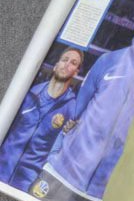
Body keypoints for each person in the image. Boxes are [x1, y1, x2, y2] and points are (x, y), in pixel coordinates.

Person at [32, 5, 134, 201]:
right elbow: (75, 111)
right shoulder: (109, 60)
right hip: (66, 169)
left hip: (104, 188)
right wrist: (55, 153)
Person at [0, 47, 82, 192]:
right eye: (65, 60)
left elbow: (60, 150)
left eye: (73, 63)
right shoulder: (29, 93)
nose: (67, 64)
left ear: (76, 72)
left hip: (27, 183)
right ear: (56, 65)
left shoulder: (72, 109)